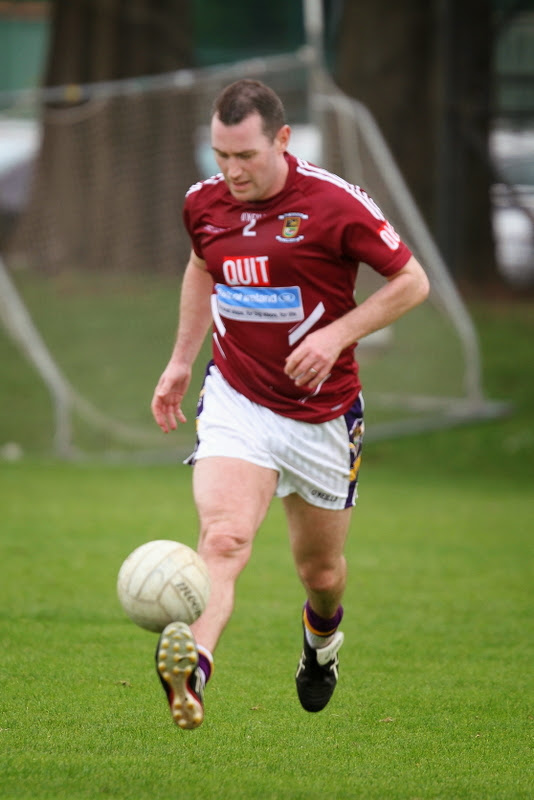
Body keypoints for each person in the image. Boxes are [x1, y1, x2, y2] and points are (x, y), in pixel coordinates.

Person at [151, 79, 430, 730]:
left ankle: (322, 645)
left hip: (322, 415)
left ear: (282, 139)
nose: (231, 171)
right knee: (223, 539)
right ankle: (190, 673)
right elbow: (201, 267)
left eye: (245, 156)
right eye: (220, 155)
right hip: (237, 397)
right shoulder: (205, 203)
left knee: (321, 571)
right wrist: (181, 361)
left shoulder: (335, 205)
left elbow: (410, 281)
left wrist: (337, 334)